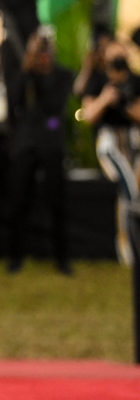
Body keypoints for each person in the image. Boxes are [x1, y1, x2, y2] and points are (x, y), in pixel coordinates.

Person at [6, 30, 74, 274]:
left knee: (58, 202)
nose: (43, 54)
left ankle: (62, 259)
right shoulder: (23, 74)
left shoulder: (63, 75)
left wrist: (42, 73)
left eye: (45, 48)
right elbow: (14, 103)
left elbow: (54, 106)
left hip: (52, 144)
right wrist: (27, 69)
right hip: (26, 144)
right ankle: (15, 257)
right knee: (19, 201)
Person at [80, 41, 140, 264]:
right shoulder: (98, 80)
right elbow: (87, 115)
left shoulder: (135, 80)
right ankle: (128, 251)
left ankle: (131, 249)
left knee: (131, 195)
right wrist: (106, 99)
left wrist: (127, 105)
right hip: (110, 140)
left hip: (134, 139)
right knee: (129, 192)